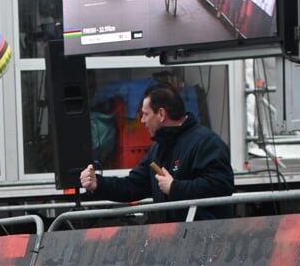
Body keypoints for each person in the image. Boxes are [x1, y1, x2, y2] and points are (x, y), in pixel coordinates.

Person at [78, 82, 234, 221]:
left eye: (145, 114)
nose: (142, 121)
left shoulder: (206, 142)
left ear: (161, 114)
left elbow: (221, 185)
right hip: (169, 240)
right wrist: (98, 184)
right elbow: (132, 186)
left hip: (204, 242)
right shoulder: (157, 149)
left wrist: (175, 188)